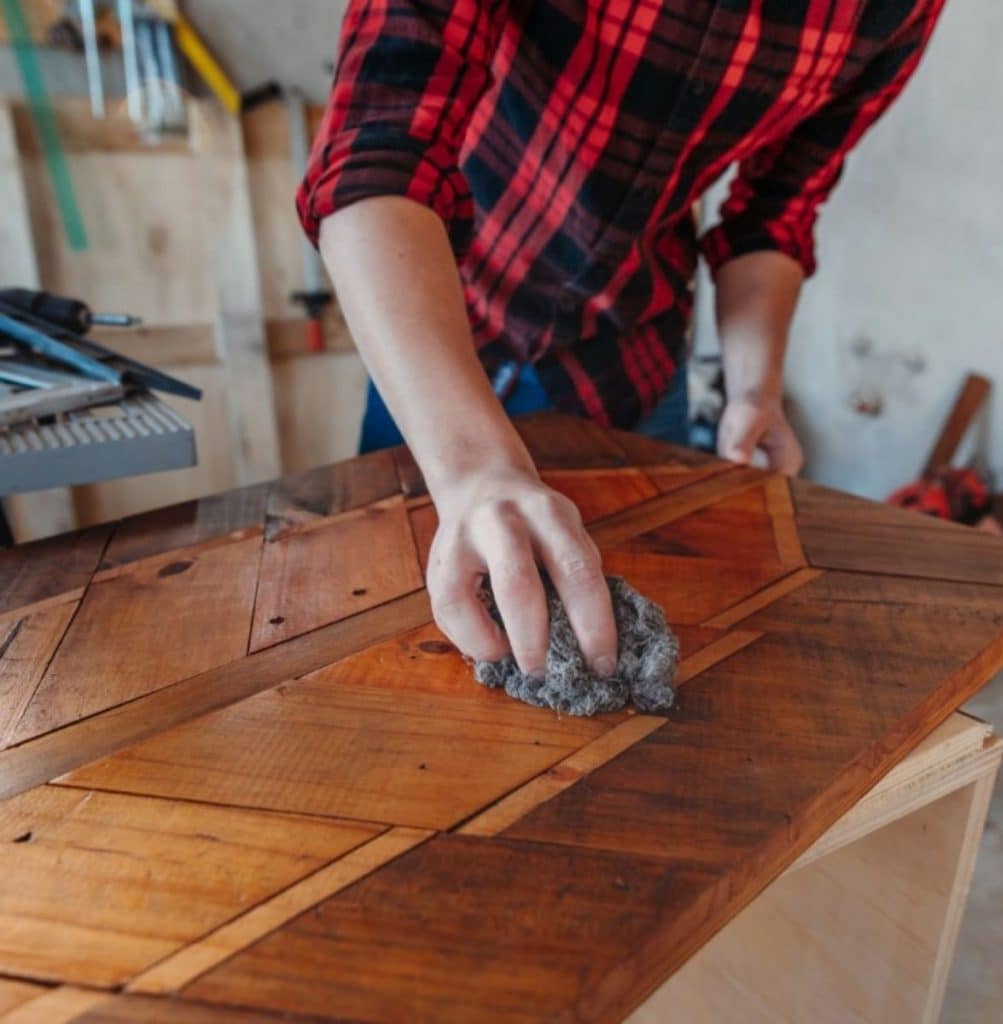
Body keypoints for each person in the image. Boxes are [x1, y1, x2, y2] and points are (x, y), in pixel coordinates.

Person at [298, 0, 944, 683]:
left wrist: (755, 389)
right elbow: (376, 148)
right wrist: (471, 466)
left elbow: (775, 213)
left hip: (631, 358)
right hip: (435, 333)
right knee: (400, 650)